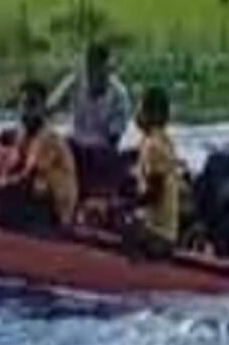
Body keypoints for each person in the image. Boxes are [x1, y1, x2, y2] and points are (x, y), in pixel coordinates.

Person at [0, 79, 79, 232]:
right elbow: (12, 169)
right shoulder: (24, 135)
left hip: (54, 210)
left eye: (32, 104)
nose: (26, 110)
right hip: (35, 198)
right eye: (23, 104)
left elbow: (26, 179)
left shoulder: (49, 139)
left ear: (43, 107)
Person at [48, 41, 132, 196]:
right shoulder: (75, 81)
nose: (93, 74)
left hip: (100, 151)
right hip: (75, 145)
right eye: (90, 67)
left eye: (98, 68)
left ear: (107, 68)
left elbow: (114, 139)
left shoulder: (119, 95)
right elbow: (50, 108)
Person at [129, 84, 183, 251]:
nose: (137, 115)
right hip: (166, 231)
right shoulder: (165, 141)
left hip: (156, 233)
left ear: (152, 114)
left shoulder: (153, 145)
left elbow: (154, 192)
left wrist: (126, 204)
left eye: (140, 109)